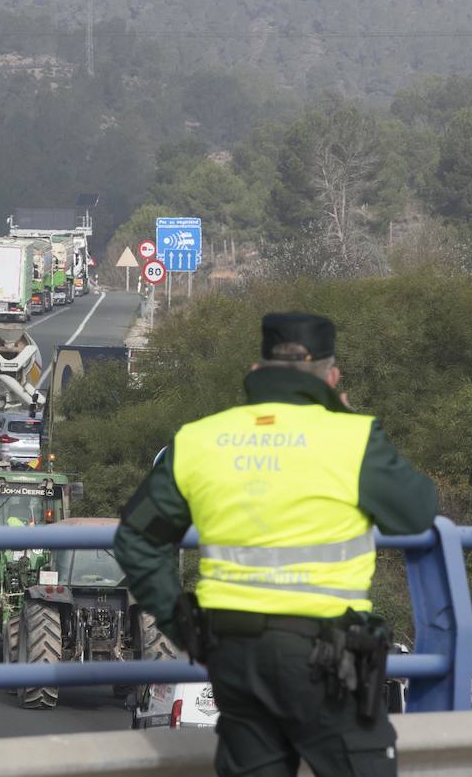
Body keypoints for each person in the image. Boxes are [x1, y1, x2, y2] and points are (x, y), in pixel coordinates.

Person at [115, 312, 438, 777]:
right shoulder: (351, 436)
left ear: (256, 371)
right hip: (323, 656)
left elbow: (136, 539)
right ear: (332, 377)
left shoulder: (199, 439)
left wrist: (184, 625)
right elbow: (417, 511)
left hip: (231, 652)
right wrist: (343, 417)